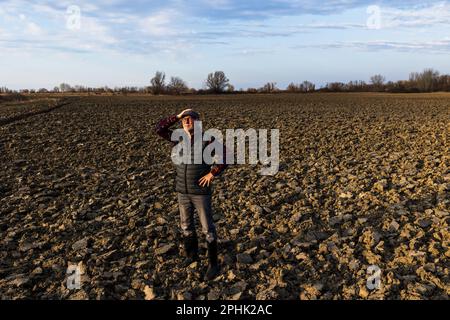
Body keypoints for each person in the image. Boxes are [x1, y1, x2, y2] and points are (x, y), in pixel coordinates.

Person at [155, 109, 228, 281]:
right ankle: (192, 256)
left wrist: (212, 173)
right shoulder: (178, 138)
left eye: (190, 118)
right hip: (182, 191)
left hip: (200, 192)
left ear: (197, 121)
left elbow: (227, 155)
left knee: (207, 229)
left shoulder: (207, 139)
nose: (187, 121)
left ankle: (213, 265)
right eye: (184, 119)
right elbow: (159, 129)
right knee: (186, 227)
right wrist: (177, 116)